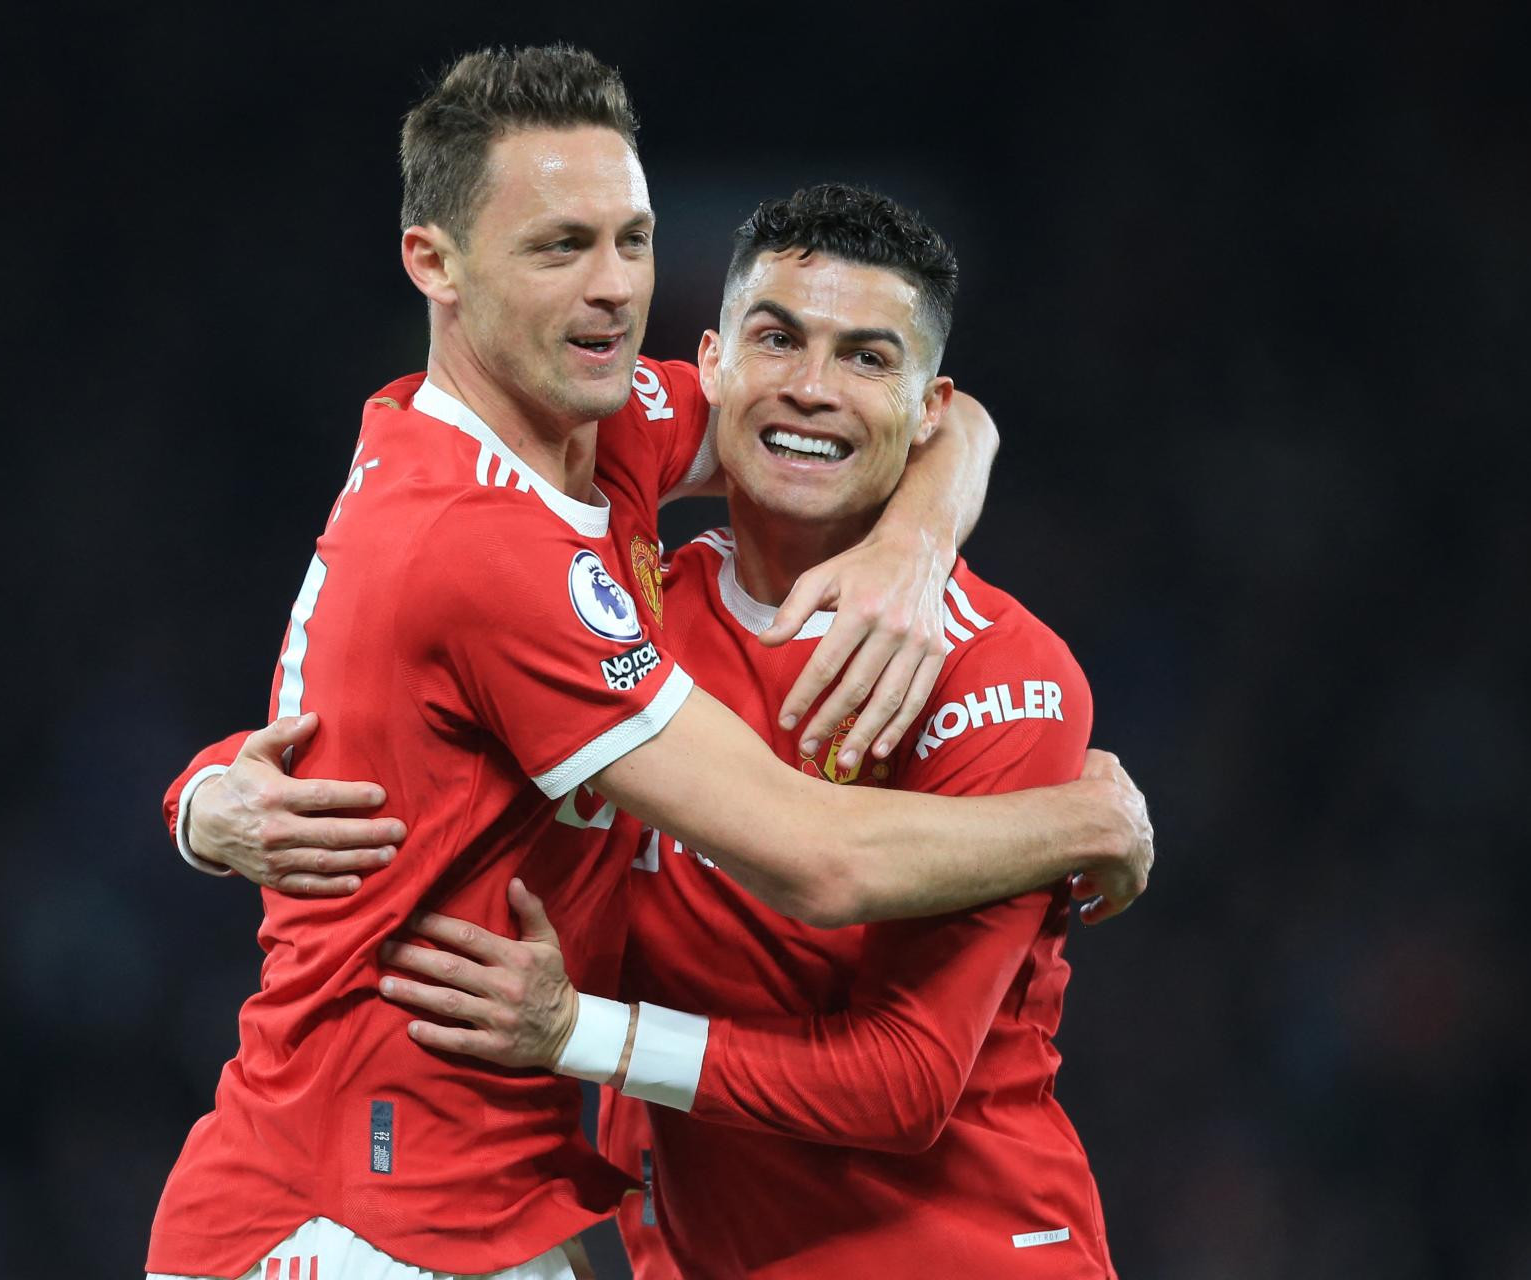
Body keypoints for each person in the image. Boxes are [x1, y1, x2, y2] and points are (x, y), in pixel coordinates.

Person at [147, 47, 1152, 1280]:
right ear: (435, 263)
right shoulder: (500, 547)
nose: (614, 287)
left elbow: (837, 419)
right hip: (355, 1213)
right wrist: (1082, 820)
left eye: (633, 240)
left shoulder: (602, 433)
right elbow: (817, 856)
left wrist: (921, 533)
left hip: (514, 1210)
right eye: (559, 246)